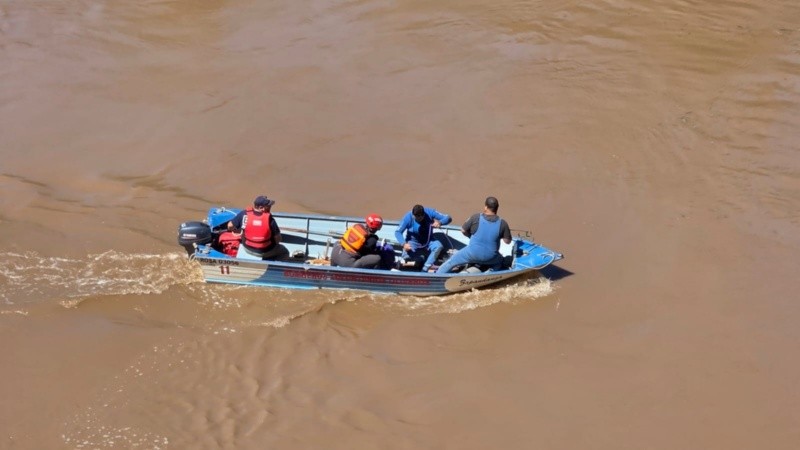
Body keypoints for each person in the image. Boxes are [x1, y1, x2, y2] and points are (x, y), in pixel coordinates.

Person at [436, 196, 512, 273]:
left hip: (472, 254)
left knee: (451, 261)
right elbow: (507, 242)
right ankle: (491, 272)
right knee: (500, 261)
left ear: (485, 207)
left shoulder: (476, 217)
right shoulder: (503, 223)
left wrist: (470, 236)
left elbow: (463, 230)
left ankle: (438, 275)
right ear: (497, 208)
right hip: (491, 257)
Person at [227, 195, 290, 261]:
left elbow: (230, 226)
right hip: (265, 251)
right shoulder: (270, 220)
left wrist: (237, 230)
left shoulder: (244, 214)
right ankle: (273, 264)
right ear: (261, 207)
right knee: (284, 251)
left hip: (247, 248)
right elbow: (278, 239)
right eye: (268, 206)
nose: (270, 207)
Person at [394, 204, 452, 272]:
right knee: (407, 260)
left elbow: (448, 218)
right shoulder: (408, 217)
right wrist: (404, 244)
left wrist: (440, 222)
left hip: (428, 240)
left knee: (438, 246)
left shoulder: (430, 212)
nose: (419, 219)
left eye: (421, 217)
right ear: (413, 215)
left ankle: (425, 268)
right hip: (413, 242)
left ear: (424, 214)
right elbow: (398, 232)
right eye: (416, 217)